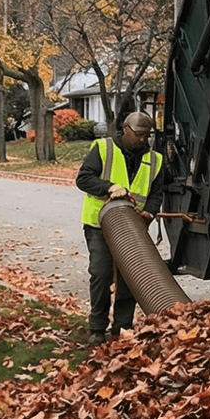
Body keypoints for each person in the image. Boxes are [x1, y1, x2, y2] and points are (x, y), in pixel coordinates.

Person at [75, 111, 169, 343]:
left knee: (131, 278)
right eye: (138, 134)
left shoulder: (154, 160)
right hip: (99, 224)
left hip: (133, 227)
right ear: (125, 129)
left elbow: (157, 193)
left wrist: (150, 212)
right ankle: (97, 328)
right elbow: (83, 179)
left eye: (147, 135)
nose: (143, 139)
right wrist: (109, 187)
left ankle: (122, 328)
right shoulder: (103, 148)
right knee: (101, 273)